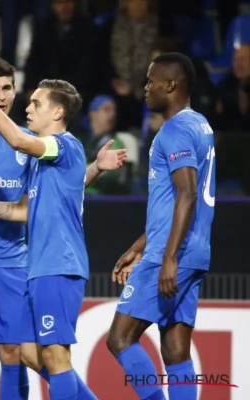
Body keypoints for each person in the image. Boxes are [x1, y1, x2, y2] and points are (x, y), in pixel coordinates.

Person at [0, 58, 127, 400]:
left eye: (7, 88)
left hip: (19, 262)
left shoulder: (32, 141)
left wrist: (91, 167)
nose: (1, 95)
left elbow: (51, 182)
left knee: (18, 352)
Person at [107, 52, 215, 400]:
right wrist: (139, 246)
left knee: (120, 338)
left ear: (170, 85)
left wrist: (168, 257)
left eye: (151, 81)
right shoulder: (199, 124)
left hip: (173, 253)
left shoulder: (175, 130)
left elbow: (187, 194)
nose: (145, 88)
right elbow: (175, 201)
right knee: (174, 347)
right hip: (194, 250)